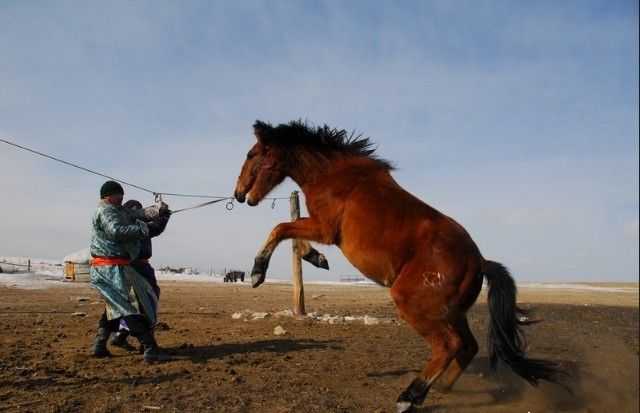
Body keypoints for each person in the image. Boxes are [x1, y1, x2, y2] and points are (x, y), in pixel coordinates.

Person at [89, 180, 171, 362]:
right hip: (110, 268)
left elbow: (138, 213)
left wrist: (158, 210)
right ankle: (150, 348)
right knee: (129, 307)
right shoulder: (106, 210)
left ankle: (100, 345)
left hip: (114, 267)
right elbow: (116, 231)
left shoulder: (118, 210)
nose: (122, 198)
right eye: (120, 195)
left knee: (115, 306)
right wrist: (145, 227)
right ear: (109, 195)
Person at [109, 199, 170, 350]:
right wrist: (164, 216)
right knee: (148, 301)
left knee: (131, 304)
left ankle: (120, 335)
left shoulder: (121, 226)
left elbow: (154, 227)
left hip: (128, 268)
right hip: (137, 268)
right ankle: (147, 344)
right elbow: (154, 228)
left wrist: (162, 217)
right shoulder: (135, 227)